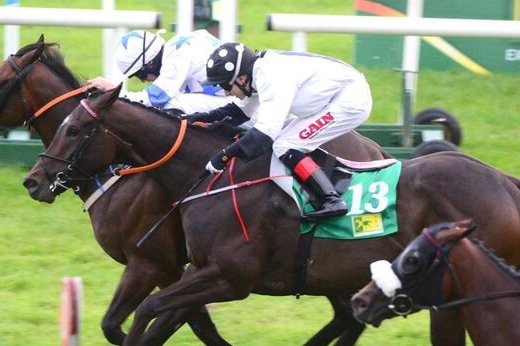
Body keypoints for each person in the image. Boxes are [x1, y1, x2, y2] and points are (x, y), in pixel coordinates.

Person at [185, 42, 373, 220]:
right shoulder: (256, 74)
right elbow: (238, 112)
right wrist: (196, 118)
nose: (226, 92)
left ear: (241, 79)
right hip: (334, 98)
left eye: (225, 85)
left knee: (285, 145)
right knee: (284, 143)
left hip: (349, 101)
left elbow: (263, 136)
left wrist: (224, 155)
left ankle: (331, 200)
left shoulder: (270, 76)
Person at [86, 29, 232, 114]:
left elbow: (152, 100)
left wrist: (113, 91)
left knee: (171, 104)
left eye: (141, 74)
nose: (143, 80)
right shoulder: (178, 44)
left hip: (238, 103)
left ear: (150, 62)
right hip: (234, 96)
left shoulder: (176, 60)